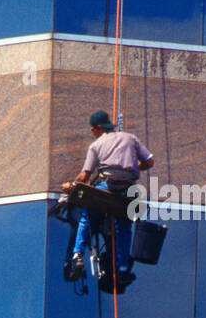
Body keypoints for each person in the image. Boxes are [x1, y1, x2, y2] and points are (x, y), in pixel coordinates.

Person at [61, 110, 154, 276]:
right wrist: (133, 166)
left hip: (107, 188)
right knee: (124, 226)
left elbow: (85, 175)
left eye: (92, 130)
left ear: (98, 128)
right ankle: (123, 266)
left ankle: (77, 255)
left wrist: (71, 186)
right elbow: (149, 162)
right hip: (128, 190)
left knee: (86, 216)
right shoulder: (130, 138)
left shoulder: (96, 146)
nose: (92, 133)